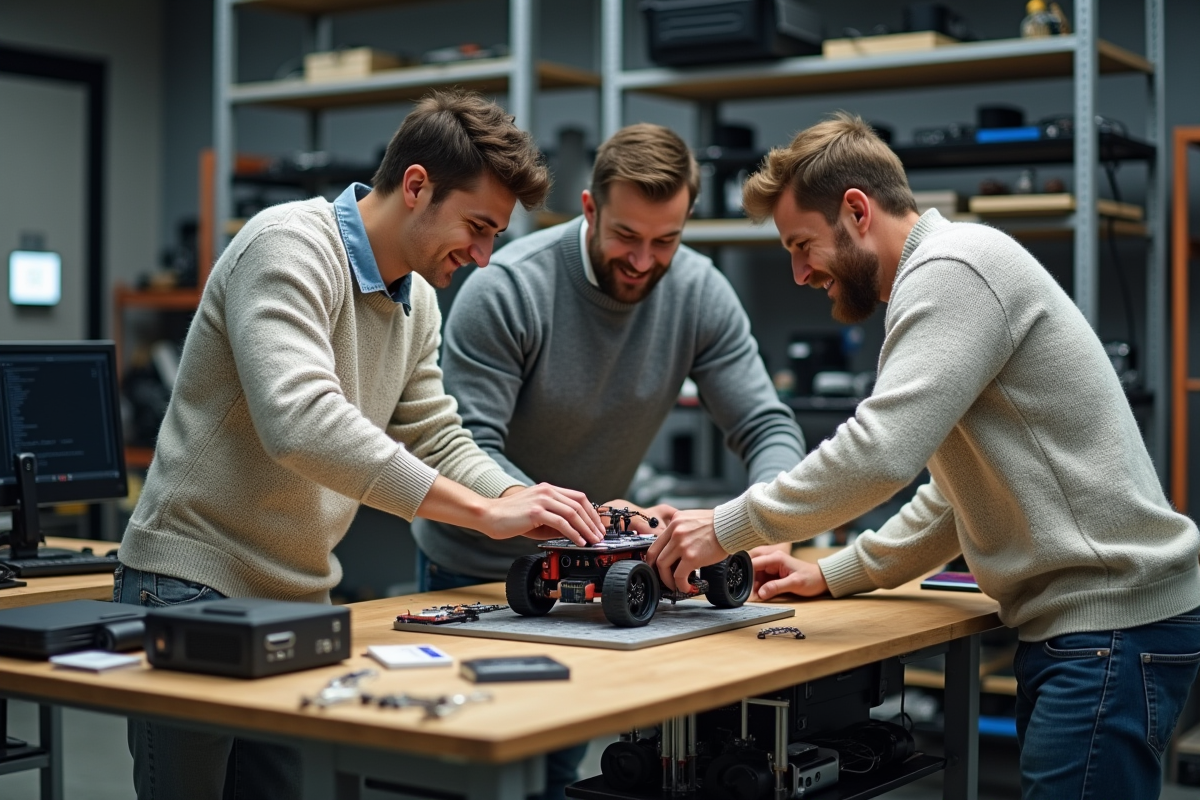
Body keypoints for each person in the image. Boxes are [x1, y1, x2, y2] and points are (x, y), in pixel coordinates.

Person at [645, 112, 1200, 799]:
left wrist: (724, 526)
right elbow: (952, 496)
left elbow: (880, 453)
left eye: (801, 245)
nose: (797, 273)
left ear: (856, 210)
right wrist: (836, 573)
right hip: (1104, 626)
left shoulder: (952, 270)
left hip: (1110, 624)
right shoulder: (944, 276)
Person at [115, 90, 605, 800]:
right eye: (477, 226)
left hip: (300, 600)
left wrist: (516, 496)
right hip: (191, 583)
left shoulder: (419, 301)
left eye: (495, 234)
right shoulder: (286, 245)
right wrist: (476, 514)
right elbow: (302, 421)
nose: (484, 255)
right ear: (415, 186)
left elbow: (437, 434)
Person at [410, 122, 805, 799]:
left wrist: (764, 520)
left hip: (597, 576)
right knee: (482, 776)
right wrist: (575, 515)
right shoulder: (508, 289)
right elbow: (467, 447)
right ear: (590, 209)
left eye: (667, 241)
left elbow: (765, 424)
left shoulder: (698, 292)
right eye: (627, 236)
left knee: (562, 775)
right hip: (480, 571)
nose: (646, 261)